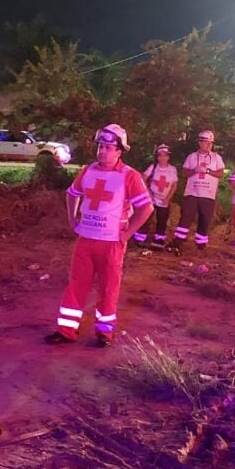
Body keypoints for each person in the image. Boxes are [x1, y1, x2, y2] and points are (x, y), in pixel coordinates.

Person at [45, 123, 153, 347]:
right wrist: (72, 219)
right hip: (86, 239)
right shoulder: (88, 170)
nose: (102, 151)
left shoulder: (129, 176)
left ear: (119, 151)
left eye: (107, 147)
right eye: (100, 146)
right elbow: (72, 194)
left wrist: (127, 234)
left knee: (108, 287)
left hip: (111, 242)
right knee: (76, 284)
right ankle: (66, 330)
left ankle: (104, 333)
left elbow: (146, 208)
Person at [169, 129, 224, 255]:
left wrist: (208, 171)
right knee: (186, 217)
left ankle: (201, 243)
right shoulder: (192, 157)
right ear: (200, 143)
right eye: (206, 142)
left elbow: (220, 173)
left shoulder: (216, 157)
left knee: (205, 219)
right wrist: (195, 170)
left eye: (211, 143)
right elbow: (184, 173)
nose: (209, 145)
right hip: (192, 193)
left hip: (208, 194)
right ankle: (178, 240)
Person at [132, 143, 179, 249]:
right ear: (157, 157)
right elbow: (142, 179)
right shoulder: (153, 167)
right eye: (160, 155)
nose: (162, 157)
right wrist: (148, 194)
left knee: (162, 219)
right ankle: (140, 238)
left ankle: (159, 238)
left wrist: (167, 198)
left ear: (168, 157)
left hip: (164, 200)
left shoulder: (172, 170)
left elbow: (174, 185)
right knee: (146, 217)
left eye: (165, 155)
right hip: (152, 198)